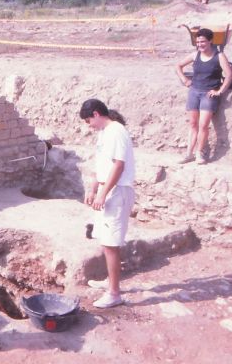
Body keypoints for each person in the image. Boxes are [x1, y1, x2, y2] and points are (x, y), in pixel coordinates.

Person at [79, 99, 135, 308]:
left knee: (111, 244)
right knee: (105, 240)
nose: (89, 126)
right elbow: (100, 166)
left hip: (117, 192)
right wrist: (93, 189)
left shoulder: (117, 132)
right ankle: (110, 282)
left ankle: (114, 293)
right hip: (107, 190)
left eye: (88, 121)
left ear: (96, 114)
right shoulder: (104, 134)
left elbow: (118, 166)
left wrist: (103, 193)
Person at [174, 28, 232, 164]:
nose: (200, 44)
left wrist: (220, 91)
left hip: (208, 94)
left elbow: (230, 75)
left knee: (203, 125)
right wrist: (184, 80)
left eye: (203, 41)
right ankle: (189, 154)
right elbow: (178, 66)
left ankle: (200, 154)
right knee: (193, 124)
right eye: (198, 42)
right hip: (194, 92)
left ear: (211, 41)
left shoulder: (219, 56)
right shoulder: (195, 55)